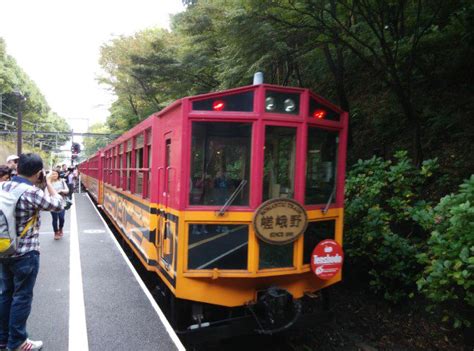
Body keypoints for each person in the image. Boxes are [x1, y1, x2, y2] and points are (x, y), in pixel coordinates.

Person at [0, 153, 63, 351]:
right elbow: (58, 204)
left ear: (17, 169)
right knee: (22, 297)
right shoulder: (32, 192)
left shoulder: (2, 186)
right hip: (25, 254)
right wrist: (49, 183)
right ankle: (18, 342)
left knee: (5, 295)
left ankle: (3, 339)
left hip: (3, 250)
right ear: (38, 173)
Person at [46, 170, 69, 240]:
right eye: (53, 174)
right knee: (55, 218)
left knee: (61, 218)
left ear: (58, 175)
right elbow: (46, 193)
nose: (54, 175)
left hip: (62, 203)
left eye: (56, 174)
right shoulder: (48, 183)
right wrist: (52, 194)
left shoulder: (62, 181)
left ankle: (61, 228)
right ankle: (56, 232)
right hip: (53, 203)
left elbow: (67, 190)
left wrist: (61, 191)